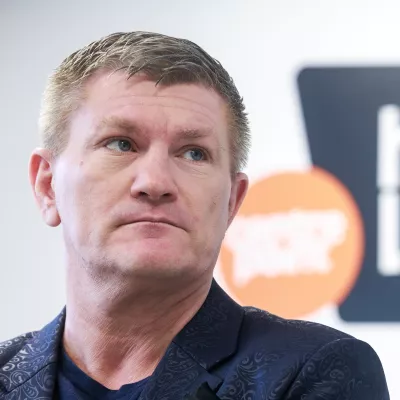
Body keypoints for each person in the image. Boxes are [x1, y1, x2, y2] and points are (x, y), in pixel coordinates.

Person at [0, 31, 389, 400]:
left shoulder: (311, 370)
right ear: (47, 186)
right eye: (121, 144)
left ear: (232, 203)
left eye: (193, 153)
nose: (154, 182)